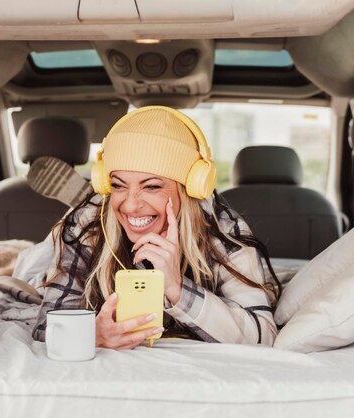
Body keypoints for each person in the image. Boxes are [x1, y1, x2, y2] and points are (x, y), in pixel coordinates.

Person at [32, 106, 280, 349]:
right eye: (118, 185)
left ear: (190, 189)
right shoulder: (88, 224)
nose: (130, 205)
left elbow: (263, 335)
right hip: (87, 227)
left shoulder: (223, 229)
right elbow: (46, 326)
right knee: (32, 262)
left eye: (151, 187)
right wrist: (91, 334)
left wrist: (177, 287)